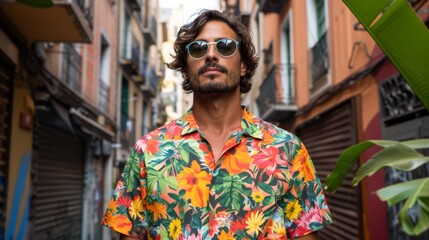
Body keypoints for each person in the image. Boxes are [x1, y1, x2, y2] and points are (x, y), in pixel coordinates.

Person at [101, 9, 332, 240]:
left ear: (243, 65)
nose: (211, 55)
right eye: (199, 49)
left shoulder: (288, 150)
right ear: (185, 68)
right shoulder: (147, 152)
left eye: (225, 46)